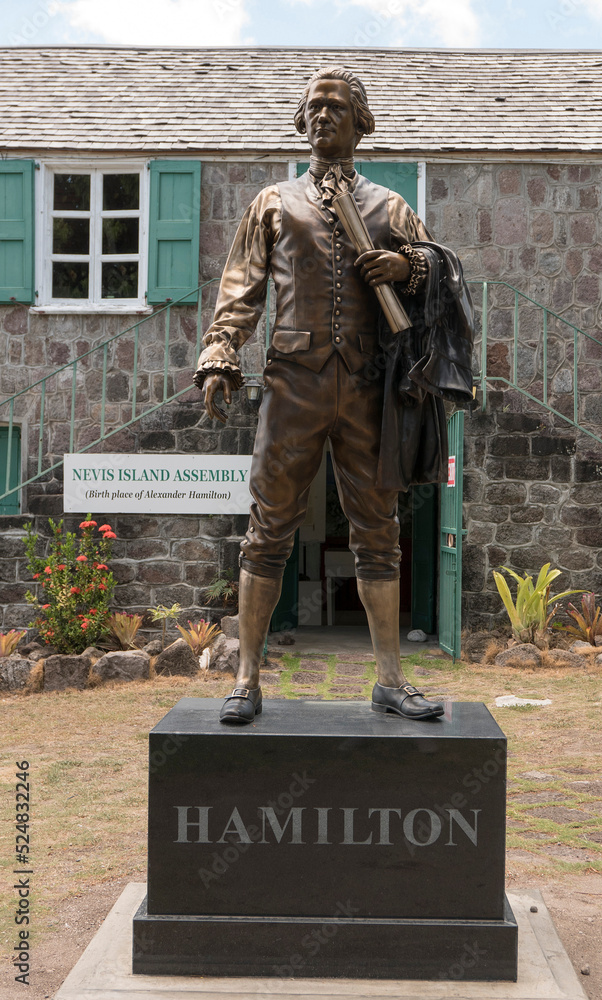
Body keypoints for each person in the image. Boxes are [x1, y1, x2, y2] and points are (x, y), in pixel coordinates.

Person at [195, 67, 457, 724]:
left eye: (335, 105)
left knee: (378, 532)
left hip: (371, 388)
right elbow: (240, 289)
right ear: (299, 120)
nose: (321, 114)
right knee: (267, 530)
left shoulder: (391, 208)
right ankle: (247, 679)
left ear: (360, 122)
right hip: (293, 382)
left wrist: (406, 265)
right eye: (312, 104)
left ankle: (390, 680)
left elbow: (440, 276)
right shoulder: (273, 203)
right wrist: (221, 351)